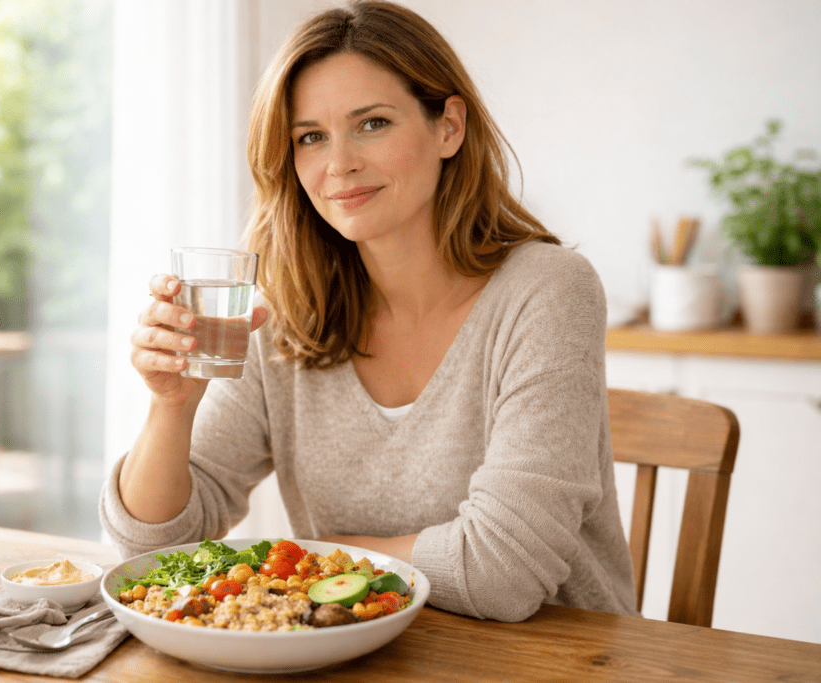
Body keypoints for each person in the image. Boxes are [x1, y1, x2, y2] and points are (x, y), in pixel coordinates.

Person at [100, 0, 639, 621]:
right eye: (310, 137)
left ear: (448, 127)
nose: (339, 163)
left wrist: (301, 563)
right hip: (356, 660)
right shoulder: (286, 316)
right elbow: (156, 549)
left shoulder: (548, 291)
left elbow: (503, 573)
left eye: (373, 123)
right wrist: (171, 404)